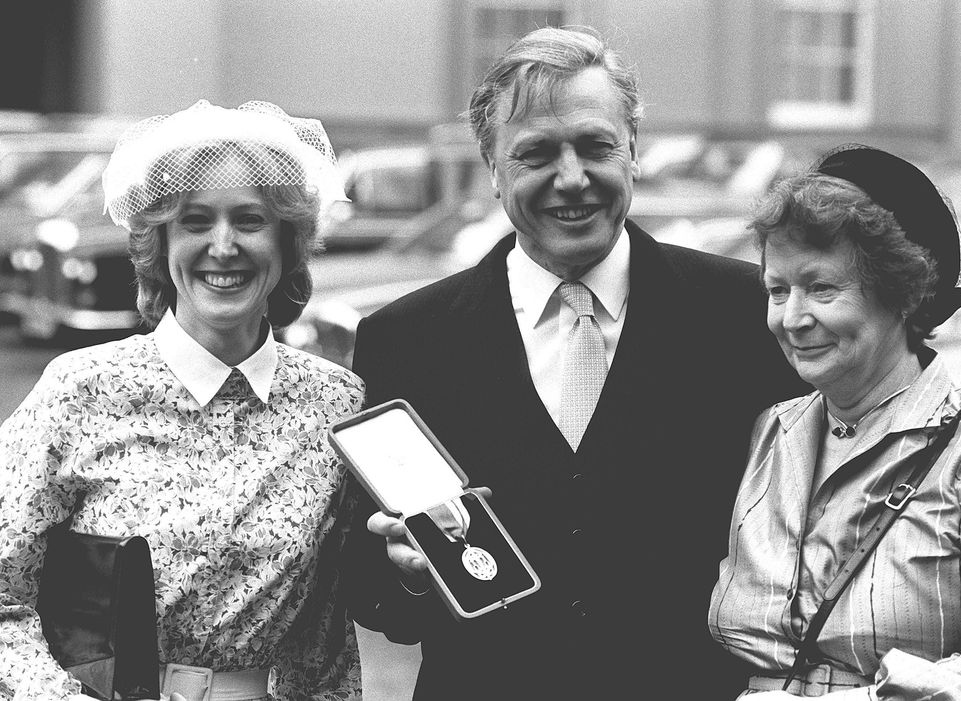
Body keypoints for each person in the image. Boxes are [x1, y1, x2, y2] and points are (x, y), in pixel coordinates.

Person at [341, 27, 806, 700]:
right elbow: (371, 590)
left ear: (634, 152)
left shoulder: (743, 314)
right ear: (493, 168)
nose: (571, 178)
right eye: (536, 153)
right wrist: (407, 573)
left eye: (595, 146)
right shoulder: (407, 339)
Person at [0, 100, 364, 701]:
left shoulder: (333, 405)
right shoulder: (81, 390)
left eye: (250, 220)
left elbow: (324, 642)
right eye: (195, 221)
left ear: (288, 240)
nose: (224, 246)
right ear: (160, 243)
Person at [709, 144, 961, 699]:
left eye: (822, 288)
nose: (792, 318)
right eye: (777, 290)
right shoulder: (772, 432)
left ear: (901, 293)